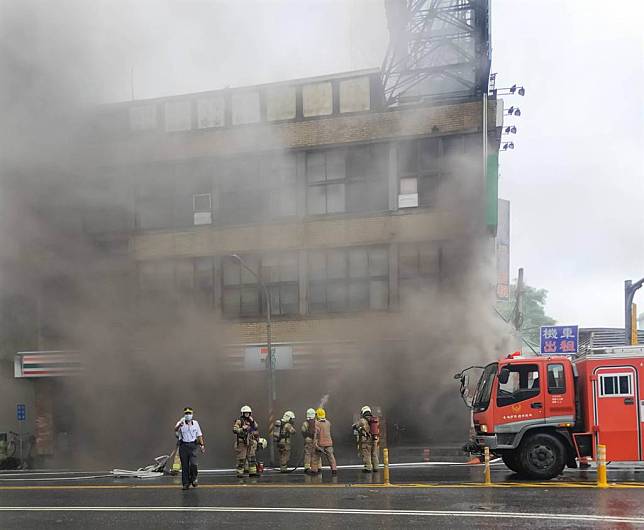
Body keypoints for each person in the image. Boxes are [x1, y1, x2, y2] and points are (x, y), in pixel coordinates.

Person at [174, 407, 205, 490]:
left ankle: (194, 478)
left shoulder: (195, 423)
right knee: (185, 466)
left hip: (193, 446)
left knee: (193, 464)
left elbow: (199, 434)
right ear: (184, 414)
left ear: (192, 414)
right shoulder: (181, 423)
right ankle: (185, 483)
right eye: (186, 413)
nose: (188, 415)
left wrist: (202, 445)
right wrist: (179, 426)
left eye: (189, 413)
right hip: (183, 446)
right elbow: (175, 430)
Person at [233, 404, 259, 478]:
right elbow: (235, 430)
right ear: (243, 413)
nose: (247, 414)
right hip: (242, 443)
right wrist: (242, 429)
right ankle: (240, 473)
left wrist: (252, 421)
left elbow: (256, 427)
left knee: (252, 458)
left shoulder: (251, 421)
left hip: (250, 442)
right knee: (241, 458)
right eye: (245, 413)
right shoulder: (239, 421)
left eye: (248, 413)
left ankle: (253, 473)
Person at [310, 407, 337, 475]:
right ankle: (334, 470)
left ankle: (314, 470)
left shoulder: (317, 423)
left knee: (315, 457)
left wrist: (315, 443)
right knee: (331, 457)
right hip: (329, 443)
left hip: (320, 444)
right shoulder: (328, 423)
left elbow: (316, 434)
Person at [356, 405, 380, 473]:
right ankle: (376, 467)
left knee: (367, 454)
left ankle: (368, 468)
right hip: (374, 439)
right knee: (374, 454)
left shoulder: (362, 420)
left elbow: (356, 426)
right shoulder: (374, 420)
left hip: (366, 441)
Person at [301, 408, 317, 474]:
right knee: (315, 454)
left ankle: (307, 468)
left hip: (308, 440)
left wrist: (306, 437)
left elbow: (303, 431)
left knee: (308, 454)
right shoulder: (317, 422)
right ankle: (317, 467)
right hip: (315, 440)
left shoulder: (305, 423)